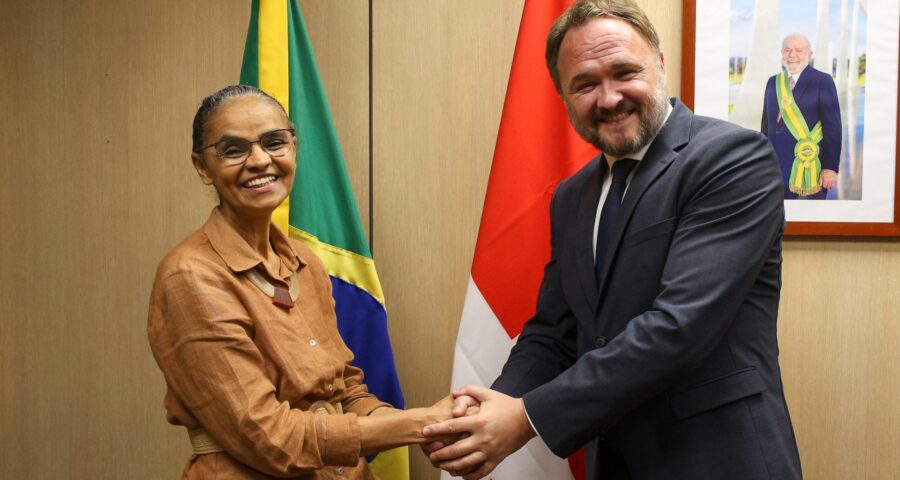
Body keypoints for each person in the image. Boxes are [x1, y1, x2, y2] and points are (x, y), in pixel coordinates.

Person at [422, 1, 802, 479]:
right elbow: (553, 332)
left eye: (624, 72)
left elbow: (678, 328)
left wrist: (524, 418)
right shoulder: (571, 196)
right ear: (563, 95)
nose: (608, 97)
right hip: (615, 463)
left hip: (720, 459)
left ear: (660, 65)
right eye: (584, 83)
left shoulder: (731, 158)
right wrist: (492, 405)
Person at [148, 85, 455, 479]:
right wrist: (418, 424)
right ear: (202, 167)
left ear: (293, 149)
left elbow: (346, 391)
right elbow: (269, 438)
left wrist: (433, 427)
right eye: (234, 149)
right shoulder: (190, 276)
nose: (260, 160)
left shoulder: (304, 262)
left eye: (275, 142)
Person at [761, 33, 841, 199]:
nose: (792, 55)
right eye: (787, 50)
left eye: (799, 50)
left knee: (811, 221)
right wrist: (760, 160)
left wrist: (830, 167)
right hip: (774, 168)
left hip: (810, 165)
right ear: (782, 53)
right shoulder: (772, 82)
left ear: (809, 55)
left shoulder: (822, 80)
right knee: (778, 220)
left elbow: (833, 128)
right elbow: (766, 126)